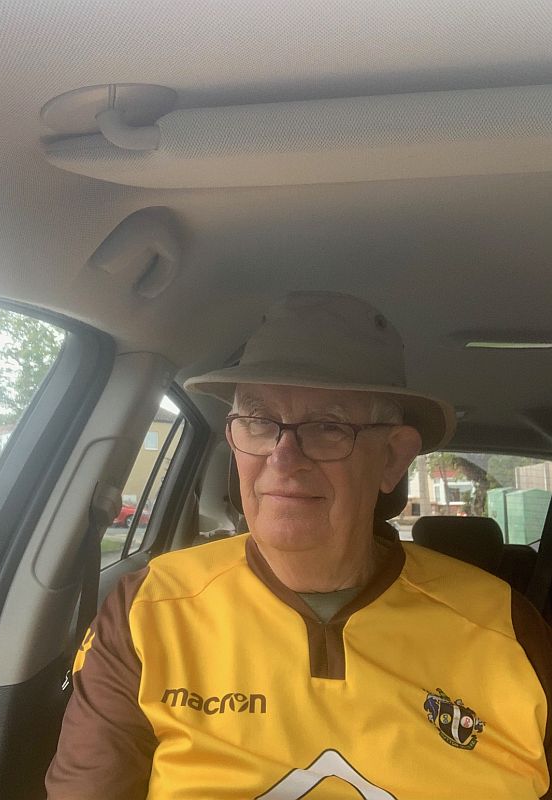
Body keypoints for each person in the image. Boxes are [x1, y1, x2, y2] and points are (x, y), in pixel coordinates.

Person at [46, 292, 552, 800]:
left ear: (393, 459)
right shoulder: (148, 611)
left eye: (328, 427)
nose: (283, 459)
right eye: (260, 422)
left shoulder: (506, 627)